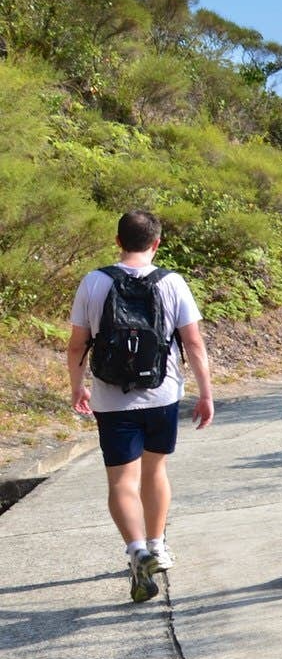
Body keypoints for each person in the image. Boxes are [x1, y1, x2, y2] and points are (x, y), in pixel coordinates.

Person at [67, 210, 214, 601]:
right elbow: (194, 343)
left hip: (111, 398)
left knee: (121, 482)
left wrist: (76, 387)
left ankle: (136, 550)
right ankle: (158, 546)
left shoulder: (94, 282)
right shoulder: (172, 282)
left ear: (117, 241)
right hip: (161, 395)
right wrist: (205, 392)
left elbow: (78, 344)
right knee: (155, 470)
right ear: (157, 243)